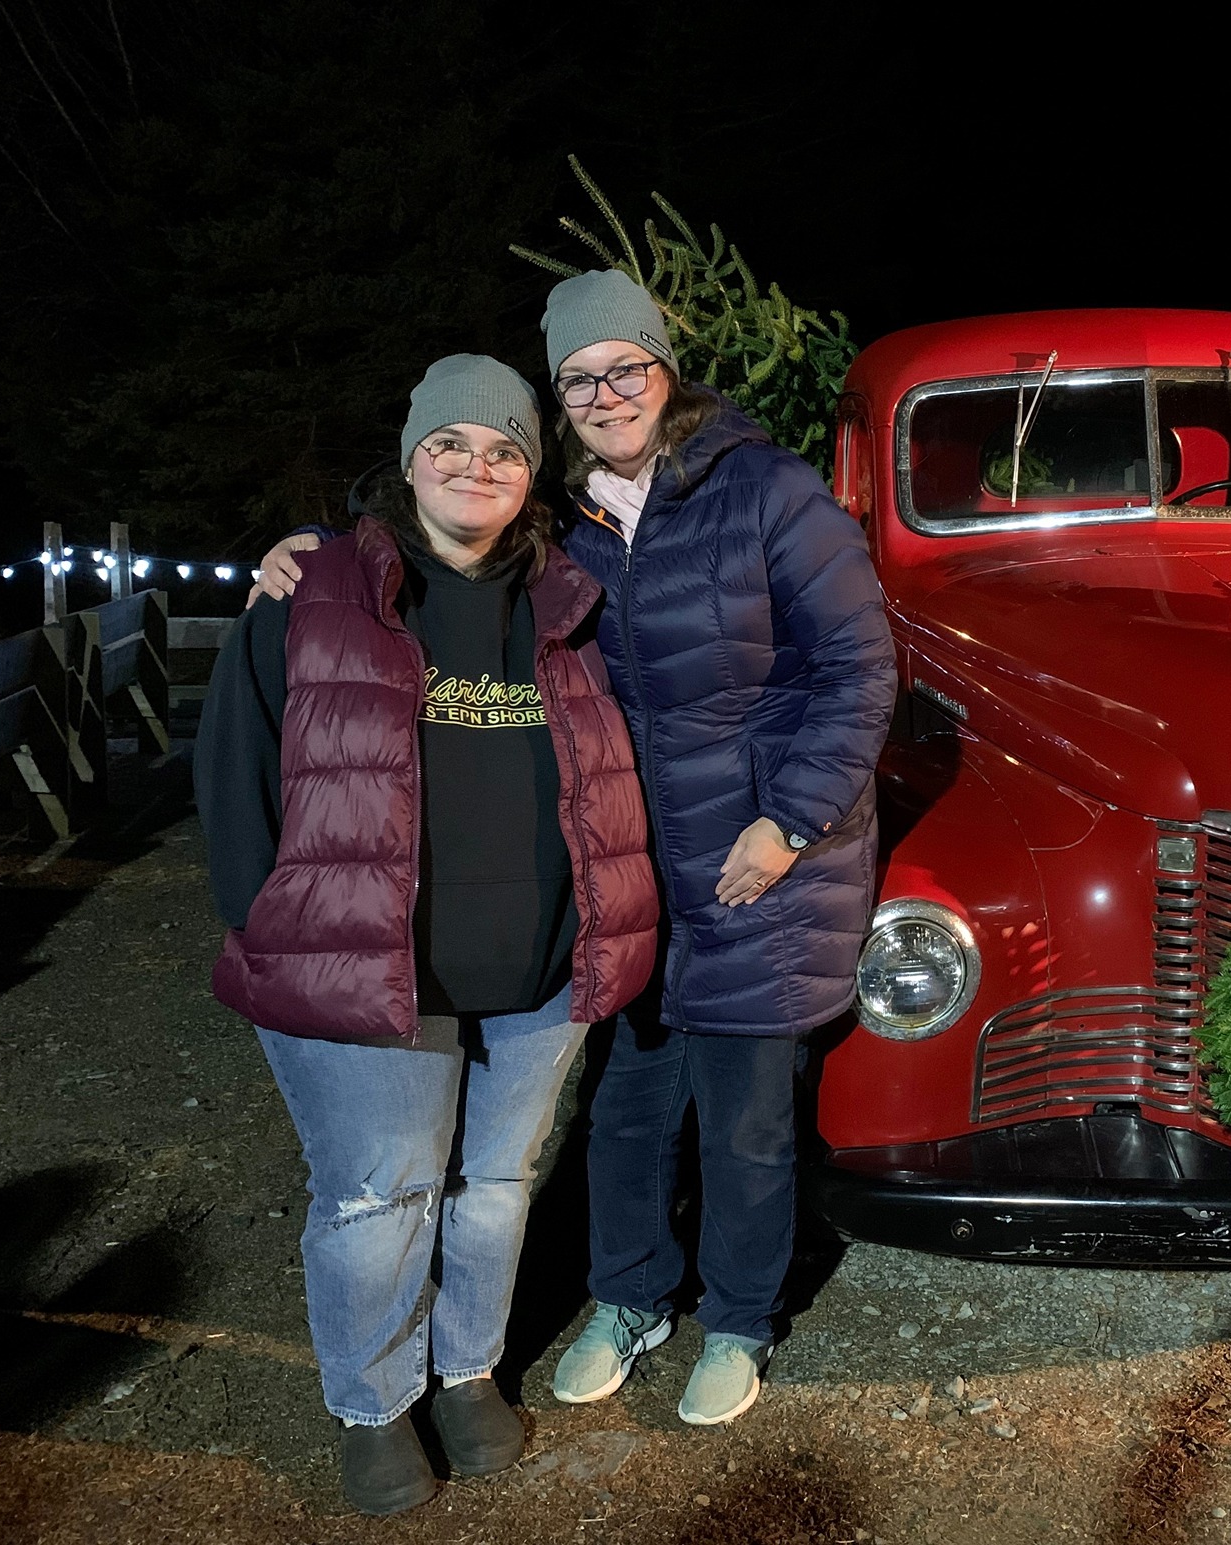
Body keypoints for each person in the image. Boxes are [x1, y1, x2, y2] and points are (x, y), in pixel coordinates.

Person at [254, 270, 896, 1427]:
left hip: (760, 860)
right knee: (627, 1109)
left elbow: (859, 667)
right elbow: (435, 535)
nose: (606, 395)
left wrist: (791, 821)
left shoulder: (766, 491)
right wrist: (315, 547)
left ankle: (737, 1319)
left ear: (664, 369)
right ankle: (629, 1295)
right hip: (631, 862)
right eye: (578, 381)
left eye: (624, 368)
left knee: (745, 1119)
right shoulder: (565, 516)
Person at [199, 354, 658, 1515]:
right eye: (449, 442)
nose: (475, 465)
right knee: (377, 1196)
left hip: (538, 966)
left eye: (504, 449)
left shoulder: (567, 603)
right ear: (409, 462)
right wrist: (268, 918)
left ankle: (463, 1372)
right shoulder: (316, 590)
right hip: (371, 966)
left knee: (495, 1184)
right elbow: (235, 765)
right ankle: (372, 1403)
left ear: (530, 475)